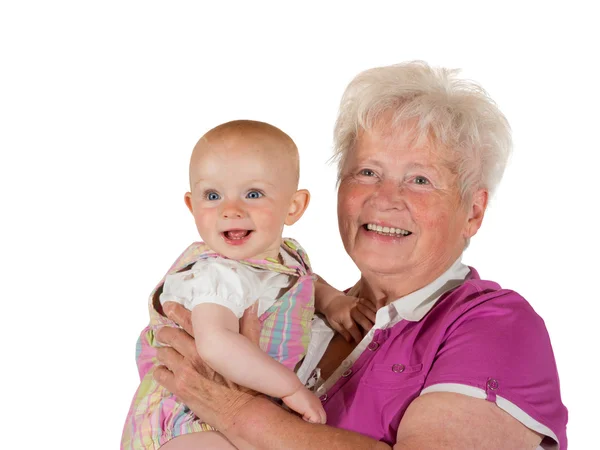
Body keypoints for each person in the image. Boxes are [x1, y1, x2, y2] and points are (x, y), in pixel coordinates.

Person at [151, 61, 569, 449]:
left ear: (473, 212)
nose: (386, 198)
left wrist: (236, 412)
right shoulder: (297, 308)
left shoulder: (496, 327)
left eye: (420, 179)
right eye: (367, 172)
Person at [121, 120, 375, 449]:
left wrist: (332, 301)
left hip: (231, 418)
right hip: (189, 422)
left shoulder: (284, 257)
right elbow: (215, 342)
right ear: (192, 206)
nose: (231, 210)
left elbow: (305, 280)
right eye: (212, 195)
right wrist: (289, 389)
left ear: (294, 206)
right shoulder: (220, 273)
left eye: (252, 194)